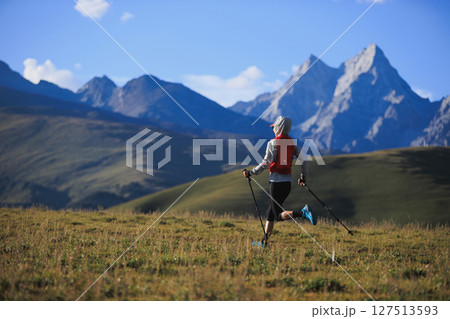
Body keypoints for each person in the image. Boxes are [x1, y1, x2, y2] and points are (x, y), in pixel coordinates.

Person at [243, 115, 316, 245]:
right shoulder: (293, 144)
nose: (273, 130)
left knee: (276, 215)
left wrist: (251, 172)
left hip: (276, 183)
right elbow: (304, 160)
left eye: (274, 127)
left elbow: (266, 163)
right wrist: (303, 177)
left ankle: (303, 213)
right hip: (287, 183)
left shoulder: (272, 143)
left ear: (278, 128)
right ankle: (264, 242)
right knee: (270, 213)